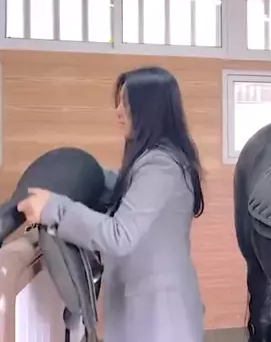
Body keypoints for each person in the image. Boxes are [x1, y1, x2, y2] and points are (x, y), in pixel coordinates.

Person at [18, 66, 205, 342]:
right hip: (148, 308)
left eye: (126, 103)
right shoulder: (154, 160)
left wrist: (53, 209)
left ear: (150, 110)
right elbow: (128, 192)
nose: (118, 111)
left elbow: (119, 235)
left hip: (159, 316)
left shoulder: (161, 166)